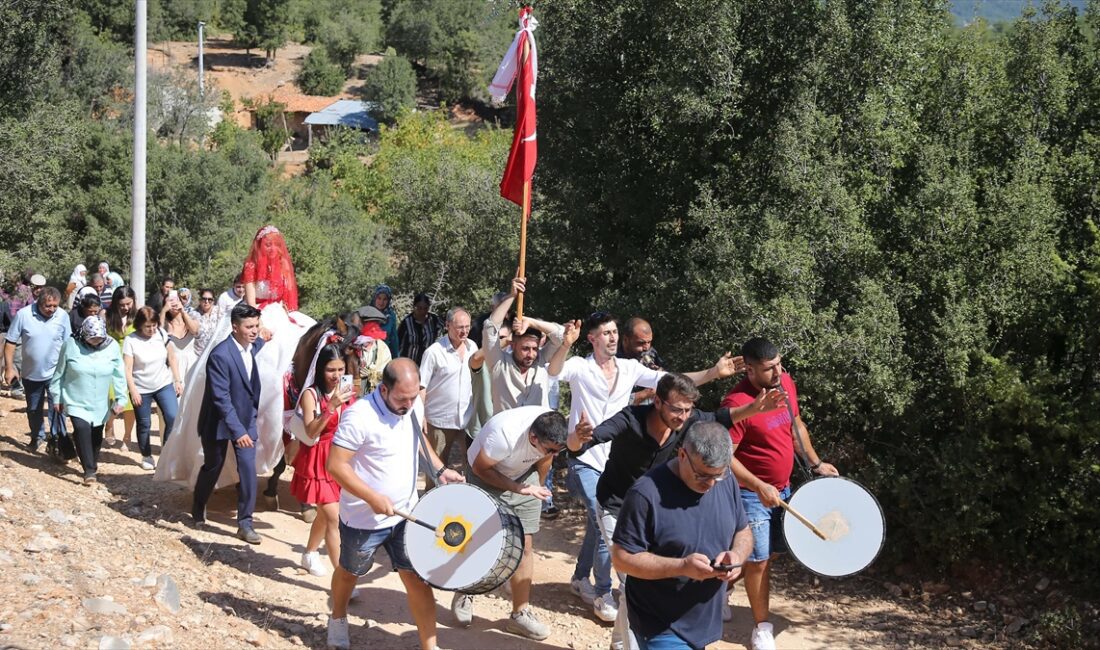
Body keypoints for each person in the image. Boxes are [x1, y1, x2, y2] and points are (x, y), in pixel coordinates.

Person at [548, 311, 742, 626]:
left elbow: (672, 384)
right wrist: (564, 344)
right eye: (606, 333)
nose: (612, 337)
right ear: (592, 338)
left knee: (598, 523)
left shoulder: (629, 368)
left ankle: (581, 577)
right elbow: (554, 371)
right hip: (585, 453)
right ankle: (603, 592)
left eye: (614, 332)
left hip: (619, 457)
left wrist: (713, 372)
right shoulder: (580, 366)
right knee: (602, 522)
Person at [568, 372, 784, 640]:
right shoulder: (630, 418)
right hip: (615, 503)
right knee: (629, 578)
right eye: (677, 409)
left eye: (687, 410)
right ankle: (629, 642)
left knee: (638, 582)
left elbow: (720, 418)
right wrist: (577, 438)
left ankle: (621, 640)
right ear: (657, 402)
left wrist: (753, 409)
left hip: (654, 508)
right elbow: (586, 442)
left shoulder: (685, 422)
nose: (682, 416)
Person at [157, 226, 316, 491]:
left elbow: (288, 300)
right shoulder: (251, 265)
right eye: (267, 243)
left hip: (280, 314)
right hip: (257, 314)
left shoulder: (282, 267)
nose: (272, 248)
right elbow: (252, 302)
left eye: (275, 244)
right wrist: (260, 325)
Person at [325, 358, 463, 650]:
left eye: (414, 397)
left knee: (417, 580)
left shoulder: (413, 404)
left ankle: (430, 646)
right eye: (402, 398)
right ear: (384, 390)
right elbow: (336, 466)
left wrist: (439, 469)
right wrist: (372, 497)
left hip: (406, 515)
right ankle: (337, 618)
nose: (409, 404)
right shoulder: (360, 416)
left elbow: (419, 439)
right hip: (364, 520)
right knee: (350, 573)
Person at [721, 337, 839, 650]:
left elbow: (795, 424)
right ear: (749, 369)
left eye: (779, 364)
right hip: (750, 494)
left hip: (784, 489)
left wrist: (815, 463)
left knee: (771, 553)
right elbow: (725, 457)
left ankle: (718, 588)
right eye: (769, 368)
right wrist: (759, 486)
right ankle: (762, 628)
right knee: (758, 560)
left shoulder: (784, 383)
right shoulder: (736, 403)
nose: (778, 372)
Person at [612, 421, 753, 650]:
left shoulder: (725, 482)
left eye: (717, 475)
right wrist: (682, 566)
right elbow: (622, 558)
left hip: (703, 620)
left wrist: (737, 555)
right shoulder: (645, 494)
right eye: (701, 476)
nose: (710, 484)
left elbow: (743, 530)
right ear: (682, 455)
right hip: (660, 623)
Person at [454, 405, 568, 641]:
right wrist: (519, 488)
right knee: (477, 539)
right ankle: (465, 591)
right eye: (551, 449)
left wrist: (536, 487)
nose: (555, 454)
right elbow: (479, 467)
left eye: (559, 450)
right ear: (533, 437)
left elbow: (545, 458)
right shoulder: (504, 435)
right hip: (487, 474)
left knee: (525, 547)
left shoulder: (549, 432)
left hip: (524, 476)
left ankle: (519, 615)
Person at [191, 303, 267, 543]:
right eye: (249, 327)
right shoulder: (220, 355)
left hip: (246, 420)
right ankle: (199, 503)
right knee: (213, 465)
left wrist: (268, 336)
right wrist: (238, 431)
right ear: (235, 327)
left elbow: (261, 342)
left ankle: (245, 524)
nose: (254, 331)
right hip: (219, 423)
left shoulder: (253, 346)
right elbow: (221, 399)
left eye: (256, 326)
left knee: (247, 470)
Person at [290, 343, 356, 576]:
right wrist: (331, 407)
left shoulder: (347, 390)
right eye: (331, 370)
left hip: (341, 458)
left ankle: (309, 553)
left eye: (340, 370)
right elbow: (310, 431)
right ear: (320, 369)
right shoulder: (311, 394)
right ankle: (342, 577)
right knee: (334, 518)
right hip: (319, 460)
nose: (336, 376)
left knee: (325, 514)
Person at [49, 318, 127, 484]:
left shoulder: (112, 346)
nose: (95, 342)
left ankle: (90, 461)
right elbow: (59, 374)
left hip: (100, 401)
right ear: (84, 335)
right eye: (92, 339)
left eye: (99, 339)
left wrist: (121, 398)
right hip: (75, 398)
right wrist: (57, 397)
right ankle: (89, 470)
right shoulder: (70, 345)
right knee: (81, 428)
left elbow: (119, 374)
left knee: (96, 436)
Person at [483, 275, 565, 413]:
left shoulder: (541, 360)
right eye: (525, 348)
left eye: (534, 348)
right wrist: (512, 296)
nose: (531, 354)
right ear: (513, 345)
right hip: (506, 433)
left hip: (536, 433)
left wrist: (530, 321)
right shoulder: (498, 363)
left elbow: (562, 336)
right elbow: (489, 328)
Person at [4, 287, 71, 451]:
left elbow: (69, 344)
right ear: (39, 302)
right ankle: (37, 437)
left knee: (57, 408)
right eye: (48, 306)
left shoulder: (62, 316)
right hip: (31, 373)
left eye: (55, 306)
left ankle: (57, 443)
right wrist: (9, 368)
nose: (52, 310)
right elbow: (11, 342)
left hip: (56, 372)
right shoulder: (24, 315)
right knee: (34, 409)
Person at [124, 306, 182, 470]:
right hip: (141, 387)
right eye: (147, 326)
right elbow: (127, 369)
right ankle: (146, 454)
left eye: (154, 325)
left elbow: (171, 356)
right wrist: (133, 390)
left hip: (163, 383)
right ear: (140, 325)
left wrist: (177, 380)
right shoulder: (131, 341)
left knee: (172, 416)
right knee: (144, 424)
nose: (151, 329)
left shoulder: (162, 335)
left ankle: (166, 452)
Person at [419, 307, 477, 467]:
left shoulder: (473, 347)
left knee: (471, 465)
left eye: (467, 326)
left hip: (467, 418)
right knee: (436, 467)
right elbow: (421, 385)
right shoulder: (434, 352)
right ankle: (432, 492)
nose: (464, 331)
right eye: (460, 327)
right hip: (439, 421)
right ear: (448, 325)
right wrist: (420, 414)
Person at [104, 286, 138, 447]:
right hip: (112, 360)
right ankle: (109, 425)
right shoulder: (107, 316)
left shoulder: (138, 317)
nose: (125, 308)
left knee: (131, 403)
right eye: (122, 304)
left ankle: (127, 436)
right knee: (114, 398)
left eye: (128, 304)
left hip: (132, 361)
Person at [618, 317, 666, 405]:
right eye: (641, 343)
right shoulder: (613, 362)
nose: (646, 348)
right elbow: (615, 403)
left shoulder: (651, 353)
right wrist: (646, 393)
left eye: (649, 342)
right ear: (625, 340)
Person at [161, 291, 199, 382]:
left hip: (191, 364)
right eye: (170, 301)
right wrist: (163, 311)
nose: (173, 303)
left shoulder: (191, 316)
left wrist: (183, 311)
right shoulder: (166, 325)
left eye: (175, 300)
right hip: (174, 368)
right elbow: (158, 332)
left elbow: (194, 330)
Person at [397, 293, 444, 366]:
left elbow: (445, 331)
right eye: (419, 308)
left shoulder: (434, 320)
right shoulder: (406, 323)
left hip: (429, 363)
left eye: (425, 308)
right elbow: (398, 343)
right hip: (409, 363)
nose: (422, 311)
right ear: (414, 307)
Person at [354, 305, 392, 395]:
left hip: (374, 396)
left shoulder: (382, 348)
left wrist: (372, 374)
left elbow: (387, 373)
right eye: (368, 324)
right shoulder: (351, 345)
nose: (373, 328)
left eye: (375, 325)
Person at [370, 285, 400, 358]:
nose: (381, 302)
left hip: (384, 354)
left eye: (385, 299)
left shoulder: (391, 315)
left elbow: (393, 339)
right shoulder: (367, 313)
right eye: (379, 298)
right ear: (375, 298)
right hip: (367, 354)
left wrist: (395, 357)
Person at [192, 288, 222, 356]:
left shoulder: (219, 312)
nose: (207, 301)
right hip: (199, 354)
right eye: (204, 299)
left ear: (213, 301)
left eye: (210, 299)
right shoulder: (193, 314)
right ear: (200, 300)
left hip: (216, 353)